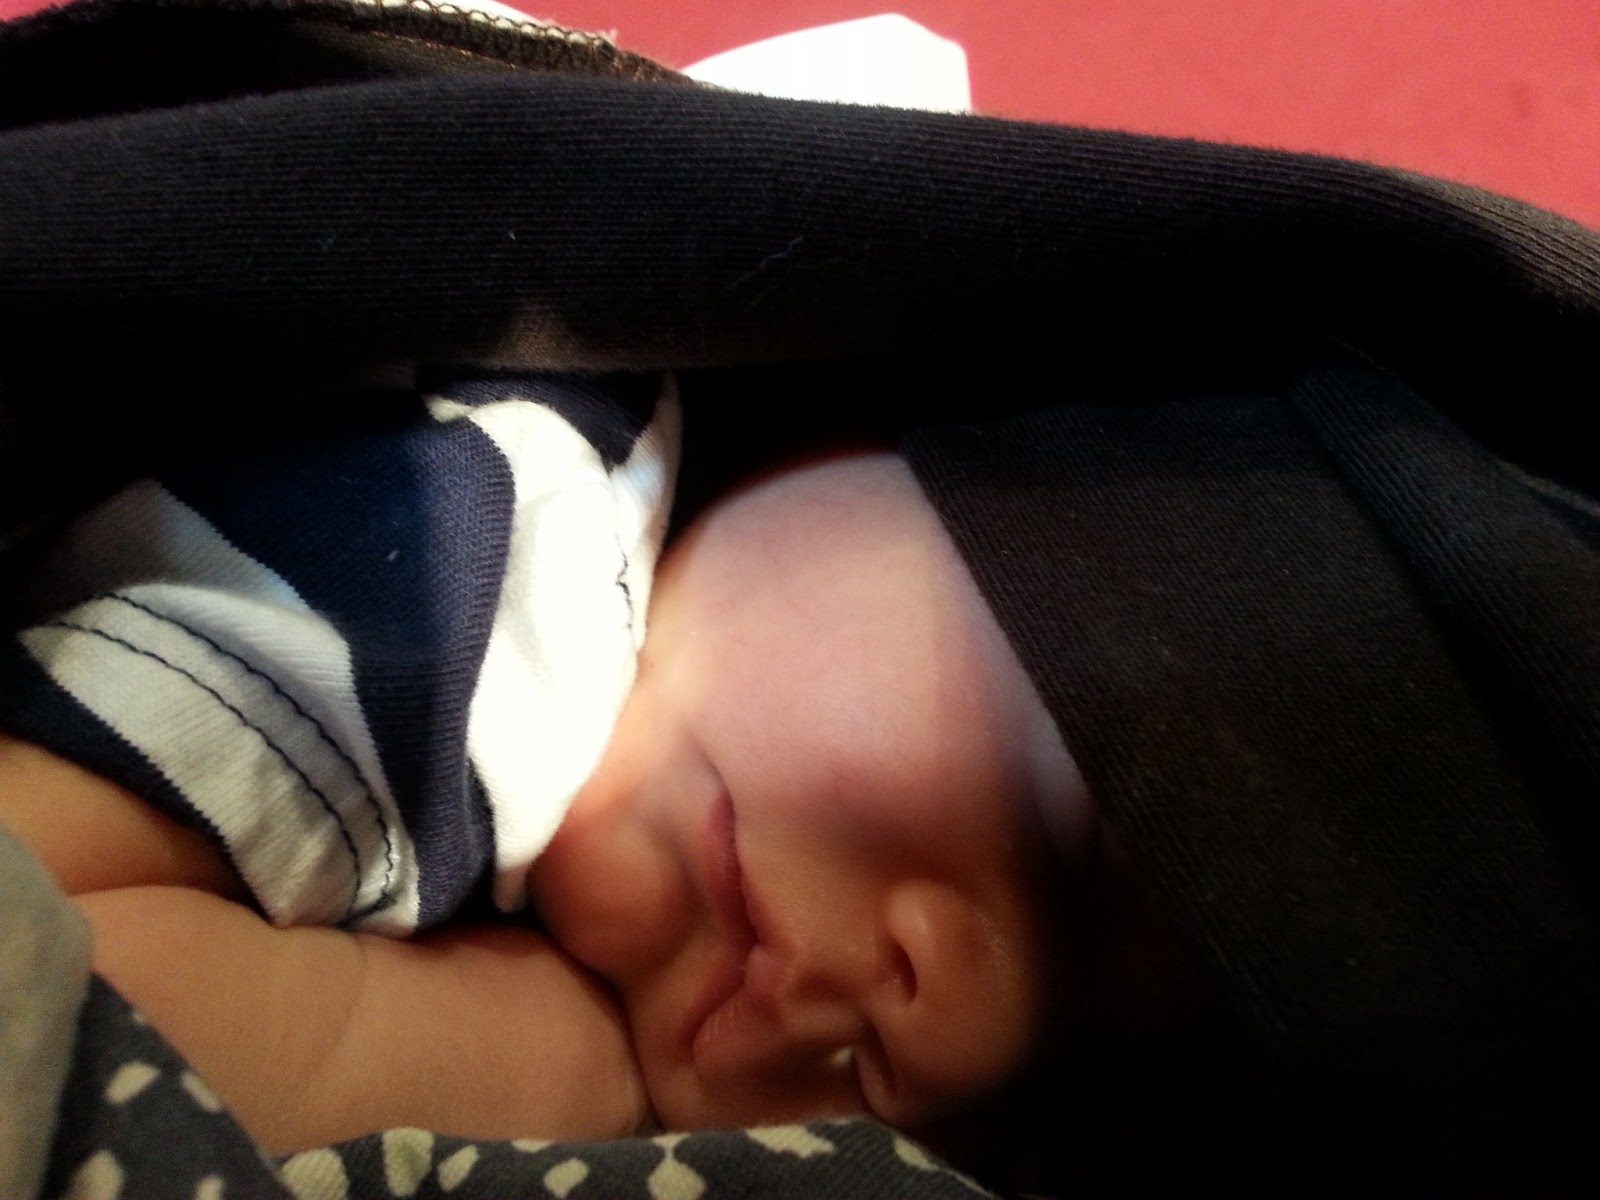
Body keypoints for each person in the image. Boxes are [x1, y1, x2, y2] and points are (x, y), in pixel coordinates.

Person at [0, 369, 1145, 1160]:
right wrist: (573, 1064)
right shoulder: (508, 557)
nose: (964, 1039)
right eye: (1077, 840)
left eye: (1063, 1095)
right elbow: (50, 984)